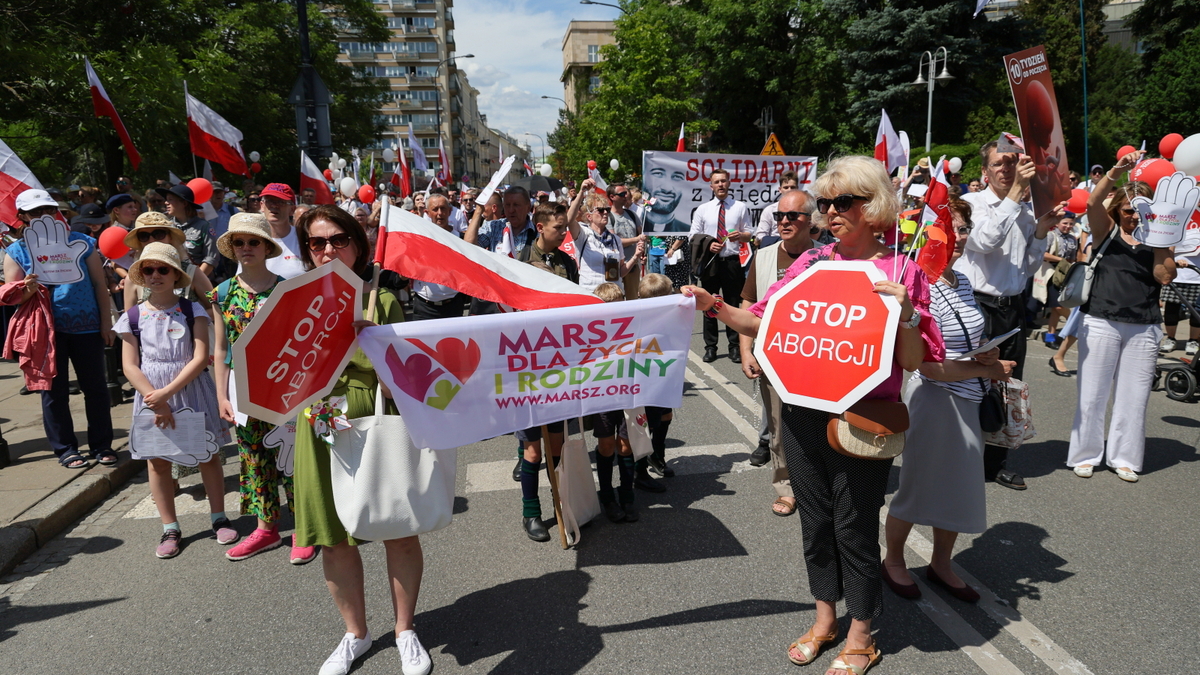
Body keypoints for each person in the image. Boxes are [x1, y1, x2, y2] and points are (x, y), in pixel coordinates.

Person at [682, 156, 942, 675]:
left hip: (860, 420)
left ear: (874, 207)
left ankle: (862, 632)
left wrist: (907, 314)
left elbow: (916, 362)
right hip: (800, 412)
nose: (830, 212)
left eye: (842, 202)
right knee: (815, 523)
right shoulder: (812, 264)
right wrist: (712, 304)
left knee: (854, 527)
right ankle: (825, 619)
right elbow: (756, 320)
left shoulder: (900, 269)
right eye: (824, 203)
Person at [289, 205, 432, 675]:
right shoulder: (291, 302)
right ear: (307, 251)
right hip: (320, 425)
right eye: (317, 242)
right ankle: (356, 634)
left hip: (376, 421)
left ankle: (405, 629)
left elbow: (407, 385)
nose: (329, 250)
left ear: (358, 243)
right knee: (333, 539)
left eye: (339, 240)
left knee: (398, 529)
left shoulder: (382, 300)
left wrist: (374, 348)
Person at [883, 197, 1015, 603]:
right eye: (946, 229)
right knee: (918, 486)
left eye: (961, 229)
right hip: (935, 399)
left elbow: (965, 340)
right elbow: (928, 365)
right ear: (926, 236)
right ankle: (893, 561)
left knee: (959, 488)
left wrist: (987, 353)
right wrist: (988, 371)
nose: (956, 238)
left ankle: (941, 564)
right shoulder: (918, 285)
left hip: (967, 397)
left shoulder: (960, 279)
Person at [115, 243, 236, 559]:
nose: (155, 275)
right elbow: (129, 364)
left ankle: (218, 516)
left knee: (206, 455)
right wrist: (153, 397)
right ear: (141, 275)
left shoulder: (190, 310)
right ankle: (170, 526)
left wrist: (168, 393)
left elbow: (199, 357)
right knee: (158, 461)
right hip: (151, 395)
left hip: (189, 390)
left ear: (176, 274)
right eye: (149, 269)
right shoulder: (132, 316)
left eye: (163, 269)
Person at [954, 140, 1059, 490]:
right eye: (999, 164)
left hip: (1012, 309)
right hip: (977, 305)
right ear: (984, 172)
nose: (1007, 168)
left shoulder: (1026, 211)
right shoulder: (972, 204)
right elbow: (983, 241)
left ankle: (994, 463)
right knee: (972, 381)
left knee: (1007, 384)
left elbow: (1027, 268)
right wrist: (1015, 195)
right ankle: (961, 456)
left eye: (1013, 162)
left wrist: (1041, 230)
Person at [1068, 152, 1176, 483]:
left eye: (1141, 210)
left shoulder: (1159, 237)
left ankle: (1124, 457)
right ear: (1119, 209)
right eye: (1128, 210)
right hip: (1101, 319)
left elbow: (1165, 277)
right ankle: (1085, 454)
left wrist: (1160, 243)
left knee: (1135, 396)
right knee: (1092, 393)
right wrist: (1117, 172)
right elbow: (1092, 203)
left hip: (1143, 325)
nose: (1133, 216)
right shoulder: (1107, 230)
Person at [210, 213, 308, 563]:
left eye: (254, 242)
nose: (246, 248)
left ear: (267, 247)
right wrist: (221, 396)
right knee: (254, 460)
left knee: (291, 458)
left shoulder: (286, 289)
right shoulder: (221, 293)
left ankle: (303, 528)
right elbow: (221, 349)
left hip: (283, 389)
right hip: (242, 392)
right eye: (239, 242)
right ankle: (266, 529)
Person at [3, 189, 116, 469]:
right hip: (44, 331)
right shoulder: (16, 250)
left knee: (96, 387)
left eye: (47, 210)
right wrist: (26, 288)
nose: (42, 216)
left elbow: (100, 285)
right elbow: (11, 295)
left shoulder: (83, 242)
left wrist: (106, 321)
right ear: (23, 217)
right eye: (34, 212)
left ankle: (102, 444)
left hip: (86, 325)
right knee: (53, 392)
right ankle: (65, 448)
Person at [738, 189, 816, 517]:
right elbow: (747, 304)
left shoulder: (828, 257)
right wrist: (746, 351)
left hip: (815, 358)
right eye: (779, 216)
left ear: (810, 221)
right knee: (778, 424)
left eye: (792, 216)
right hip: (773, 356)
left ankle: (814, 482)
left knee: (815, 423)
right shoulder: (765, 255)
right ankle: (785, 486)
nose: (783, 221)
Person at [512, 203, 579, 541]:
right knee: (532, 451)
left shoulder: (567, 262)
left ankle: (561, 504)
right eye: (557, 228)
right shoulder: (518, 262)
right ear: (540, 226)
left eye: (565, 226)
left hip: (559, 367)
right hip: (527, 368)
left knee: (557, 445)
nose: (564, 233)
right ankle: (531, 513)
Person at [589, 281, 644, 523]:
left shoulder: (632, 328)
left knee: (626, 446)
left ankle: (627, 494)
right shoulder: (589, 333)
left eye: (619, 307)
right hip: (602, 398)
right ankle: (607, 495)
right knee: (606, 447)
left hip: (628, 396)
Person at [690, 168, 753, 364]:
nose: (721, 185)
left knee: (733, 305)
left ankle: (734, 347)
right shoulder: (703, 209)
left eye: (723, 181)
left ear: (729, 183)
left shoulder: (740, 207)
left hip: (732, 261)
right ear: (711, 186)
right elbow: (692, 236)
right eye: (717, 182)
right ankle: (711, 347)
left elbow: (751, 233)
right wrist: (709, 244)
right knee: (709, 304)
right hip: (711, 263)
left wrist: (741, 236)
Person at [121, 212, 214, 312]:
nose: (152, 240)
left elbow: (215, 309)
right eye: (144, 236)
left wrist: (188, 319)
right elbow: (129, 320)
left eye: (158, 234)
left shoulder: (192, 272)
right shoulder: (132, 278)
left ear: (170, 237)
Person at [565, 182, 645, 294]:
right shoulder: (583, 234)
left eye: (607, 209)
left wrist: (635, 256)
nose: (606, 213)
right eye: (601, 210)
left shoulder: (615, 239)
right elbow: (569, 220)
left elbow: (620, 272)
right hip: (592, 293)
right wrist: (581, 192)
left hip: (614, 295)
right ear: (589, 216)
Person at [638, 273, 677, 481]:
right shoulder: (638, 317)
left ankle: (657, 455)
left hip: (667, 373)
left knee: (666, 415)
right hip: (647, 378)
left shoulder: (674, 313)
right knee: (646, 423)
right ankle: (641, 467)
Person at [411, 194, 468, 320]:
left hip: (453, 307)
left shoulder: (461, 239)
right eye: (435, 209)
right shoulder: (419, 239)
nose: (440, 213)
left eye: (443, 208)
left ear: (450, 211)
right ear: (427, 212)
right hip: (424, 309)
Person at [155, 183, 218, 281]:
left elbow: (211, 258)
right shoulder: (166, 227)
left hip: (198, 282)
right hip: (171, 282)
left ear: (184, 203)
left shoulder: (204, 226)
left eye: (170, 199)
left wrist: (194, 282)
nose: (166, 203)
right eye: (166, 199)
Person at [1040, 214, 1080, 351]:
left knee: (1057, 308)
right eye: (1065, 223)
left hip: (1065, 275)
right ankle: (1077, 321)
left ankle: (1050, 336)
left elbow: (1074, 257)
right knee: (1057, 306)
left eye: (1071, 224)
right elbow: (1042, 254)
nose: (1068, 226)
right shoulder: (1051, 235)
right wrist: (1060, 260)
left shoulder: (1073, 238)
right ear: (1057, 223)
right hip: (1051, 274)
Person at [254, 183, 308, 279]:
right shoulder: (251, 240)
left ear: (292, 209)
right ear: (262, 206)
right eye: (269, 201)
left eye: (281, 202)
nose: (274, 205)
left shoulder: (304, 238)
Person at [606, 183, 645, 300]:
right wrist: (636, 239)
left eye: (626, 193)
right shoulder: (607, 216)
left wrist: (642, 242)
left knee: (632, 298)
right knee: (615, 299)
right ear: (612, 197)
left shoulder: (632, 215)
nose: (626, 196)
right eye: (622, 194)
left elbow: (641, 234)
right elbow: (614, 241)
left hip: (632, 264)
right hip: (614, 265)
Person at [1160, 243, 1200, 355]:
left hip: (1197, 276)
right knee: (1171, 309)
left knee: (1197, 310)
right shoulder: (1178, 226)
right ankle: (1171, 339)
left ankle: (1193, 341)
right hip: (1177, 273)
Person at [754, 170, 800, 244]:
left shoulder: (804, 209)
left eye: (792, 187)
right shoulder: (770, 210)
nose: (789, 190)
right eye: (786, 187)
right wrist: (778, 242)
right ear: (780, 190)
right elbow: (760, 235)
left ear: (797, 188)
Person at [642, 164, 690, 232]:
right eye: (658, 173)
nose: (667, 188)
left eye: (677, 177)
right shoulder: (634, 222)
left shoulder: (688, 231)